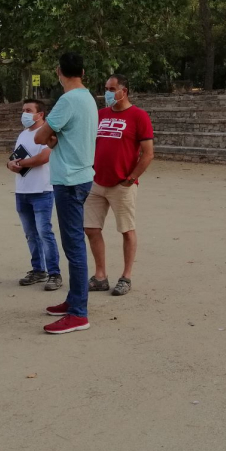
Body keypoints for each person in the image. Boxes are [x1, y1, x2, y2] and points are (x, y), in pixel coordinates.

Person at [33, 52, 98, 335]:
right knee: (75, 244)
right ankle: (74, 300)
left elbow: (38, 136)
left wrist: (51, 137)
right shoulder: (88, 98)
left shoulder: (68, 100)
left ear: (59, 71)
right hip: (82, 176)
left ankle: (78, 312)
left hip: (69, 180)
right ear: (82, 71)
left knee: (73, 247)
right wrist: (55, 136)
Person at [86, 74, 154, 296]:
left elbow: (147, 153)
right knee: (91, 228)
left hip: (121, 184)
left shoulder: (139, 116)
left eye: (111, 88)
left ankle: (126, 276)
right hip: (97, 182)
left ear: (124, 91)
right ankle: (100, 275)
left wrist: (131, 178)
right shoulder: (101, 115)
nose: (107, 92)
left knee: (126, 230)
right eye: (105, 87)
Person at [8, 99, 62, 291]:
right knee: (31, 234)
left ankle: (54, 273)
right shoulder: (23, 134)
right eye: (23, 110)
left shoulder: (47, 134)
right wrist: (10, 164)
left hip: (42, 190)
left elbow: (44, 157)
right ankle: (38, 269)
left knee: (44, 232)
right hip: (22, 190)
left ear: (40, 114)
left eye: (29, 110)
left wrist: (20, 164)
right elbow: (14, 157)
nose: (24, 114)